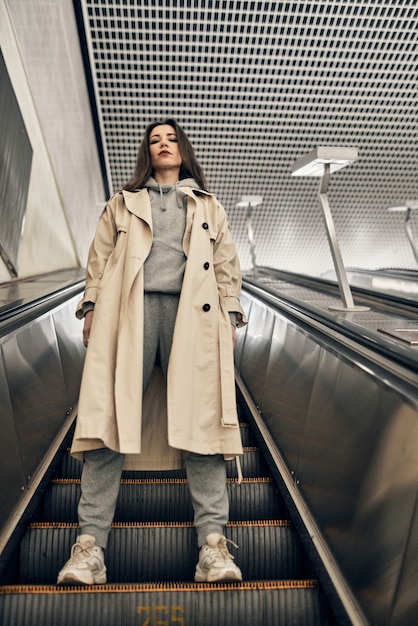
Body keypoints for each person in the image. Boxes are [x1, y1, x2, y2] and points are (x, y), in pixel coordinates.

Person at [57, 119, 247, 586]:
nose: (163, 145)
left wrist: (230, 313)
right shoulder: (121, 204)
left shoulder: (208, 205)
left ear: (183, 150)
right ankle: (88, 549)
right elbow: (99, 262)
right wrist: (91, 307)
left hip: (193, 319)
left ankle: (213, 547)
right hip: (130, 315)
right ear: (148, 153)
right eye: (154, 140)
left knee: (203, 427)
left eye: (171, 139)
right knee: (106, 424)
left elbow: (226, 266)